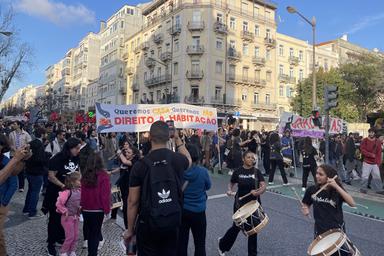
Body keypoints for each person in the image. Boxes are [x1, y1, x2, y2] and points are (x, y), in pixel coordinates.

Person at [124, 121, 192, 256]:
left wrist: (130, 230)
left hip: (148, 224)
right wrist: (178, 139)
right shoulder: (177, 159)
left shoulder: (140, 165)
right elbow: (189, 160)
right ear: (168, 137)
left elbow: (132, 201)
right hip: (172, 223)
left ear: (150, 137)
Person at [218, 151, 266, 256]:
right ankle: (222, 244)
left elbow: (263, 186)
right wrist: (229, 190)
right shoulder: (238, 171)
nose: (251, 159)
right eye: (248, 157)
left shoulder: (256, 172)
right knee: (236, 228)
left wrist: (257, 191)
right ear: (243, 159)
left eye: (252, 158)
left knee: (253, 230)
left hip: (253, 205)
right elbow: (231, 182)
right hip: (240, 204)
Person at [42, 138, 81, 256]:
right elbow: (51, 176)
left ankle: (60, 237)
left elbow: (78, 172)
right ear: (70, 148)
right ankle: (51, 243)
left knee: (66, 217)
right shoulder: (57, 158)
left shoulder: (76, 158)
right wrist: (63, 185)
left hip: (71, 194)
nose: (78, 150)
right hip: (56, 193)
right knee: (54, 218)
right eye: (77, 148)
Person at [302, 164, 355, 237]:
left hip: (337, 229)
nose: (317, 176)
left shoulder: (336, 191)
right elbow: (306, 203)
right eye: (316, 173)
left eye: (321, 174)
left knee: (340, 248)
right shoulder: (312, 190)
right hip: (320, 228)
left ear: (329, 177)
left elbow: (352, 203)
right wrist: (305, 208)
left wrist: (336, 186)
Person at [178, 144, 211, 256]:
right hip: (199, 211)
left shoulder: (179, 172)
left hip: (182, 210)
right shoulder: (203, 172)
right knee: (200, 244)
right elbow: (208, 186)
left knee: (181, 243)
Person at [81, 152, 111, 256]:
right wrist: (107, 210)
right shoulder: (103, 175)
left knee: (90, 233)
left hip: (86, 209)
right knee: (95, 234)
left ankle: (91, 253)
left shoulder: (84, 175)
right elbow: (105, 195)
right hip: (98, 210)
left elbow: (82, 193)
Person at [114, 142, 140, 229]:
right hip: (123, 186)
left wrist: (120, 153)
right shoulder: (126, 159)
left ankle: (130, 226)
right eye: (126, 152)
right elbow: (121, 166)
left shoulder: (135, 161)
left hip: (131, 187)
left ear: (134, 155)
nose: (126, 153)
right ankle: (127, 226)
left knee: (129, 206)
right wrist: (110, 172)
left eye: (129, 152)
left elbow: (125, 161)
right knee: (125, 205)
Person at [23, 127, 47, 218]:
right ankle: (32, 212)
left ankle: (26, 209)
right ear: (42, 134)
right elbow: (40, 159)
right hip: (37, 171)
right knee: (35, 192)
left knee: (30, 190)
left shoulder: (31, 143)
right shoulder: (40, 145)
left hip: (29, 170)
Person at [56, 172, 81, 256]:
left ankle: (72, 250)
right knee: (70, 236)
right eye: (79, 180)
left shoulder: (79, 190)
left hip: (75, 216)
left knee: (76, 235)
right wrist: (64, 211)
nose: (81, 182)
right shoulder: (67, 192)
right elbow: (58, 204)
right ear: (73, 182)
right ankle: (63, 251)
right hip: (67, 218)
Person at [8, 121, 32, 192]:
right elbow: (9, 144)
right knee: (11, 169)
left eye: (15, 124)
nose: (13, 125)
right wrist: (13, 148)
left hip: (22, 155)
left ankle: (21, 186)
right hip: (13, 154)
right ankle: (12, 184)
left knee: (21, 170)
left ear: (19, 125)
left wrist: (26, 147)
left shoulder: (26, 134)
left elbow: (29, 143)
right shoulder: (11, 134)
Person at [360, 128, 383, 193]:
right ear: (369, 133)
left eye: (372, 132)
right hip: (366, 162)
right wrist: (370, 155)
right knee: (365, 176)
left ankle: (379, 190)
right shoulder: (365, 140)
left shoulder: (378, 141)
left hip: (375, 163)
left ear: (374, 133)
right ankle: (363, 189)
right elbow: (362, 150)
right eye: (370, 132)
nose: (371, 133)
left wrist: (378, 162)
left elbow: (379, 153)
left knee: (377, 177)